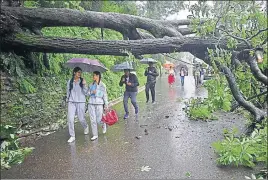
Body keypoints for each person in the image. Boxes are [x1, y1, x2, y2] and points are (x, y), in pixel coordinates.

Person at [66, 67, 89, 143]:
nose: (80, 74)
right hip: (71, 102)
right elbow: (68, 91)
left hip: (81, 102)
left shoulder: (82, 81)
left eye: (80, 72)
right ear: (74, 73)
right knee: (70, 119)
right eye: (78, 72)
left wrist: (85, 85)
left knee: (81, 118)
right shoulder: (70, 81)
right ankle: (72, 136)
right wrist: (67, 99)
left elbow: (86, 93)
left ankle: (86, 126)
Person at [87, 71, 109, 141]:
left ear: (98, 76)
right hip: (91, 103)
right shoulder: (91, 85)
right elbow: (87, 93)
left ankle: (103, 124)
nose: (93, 77)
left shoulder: (102, 85)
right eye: (93, 75)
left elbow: (104, 95)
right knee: (92, 120)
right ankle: (95, 135)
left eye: (94, 75)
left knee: (98, 120)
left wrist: (106, 105)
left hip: (99, 103)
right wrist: (91, 92)